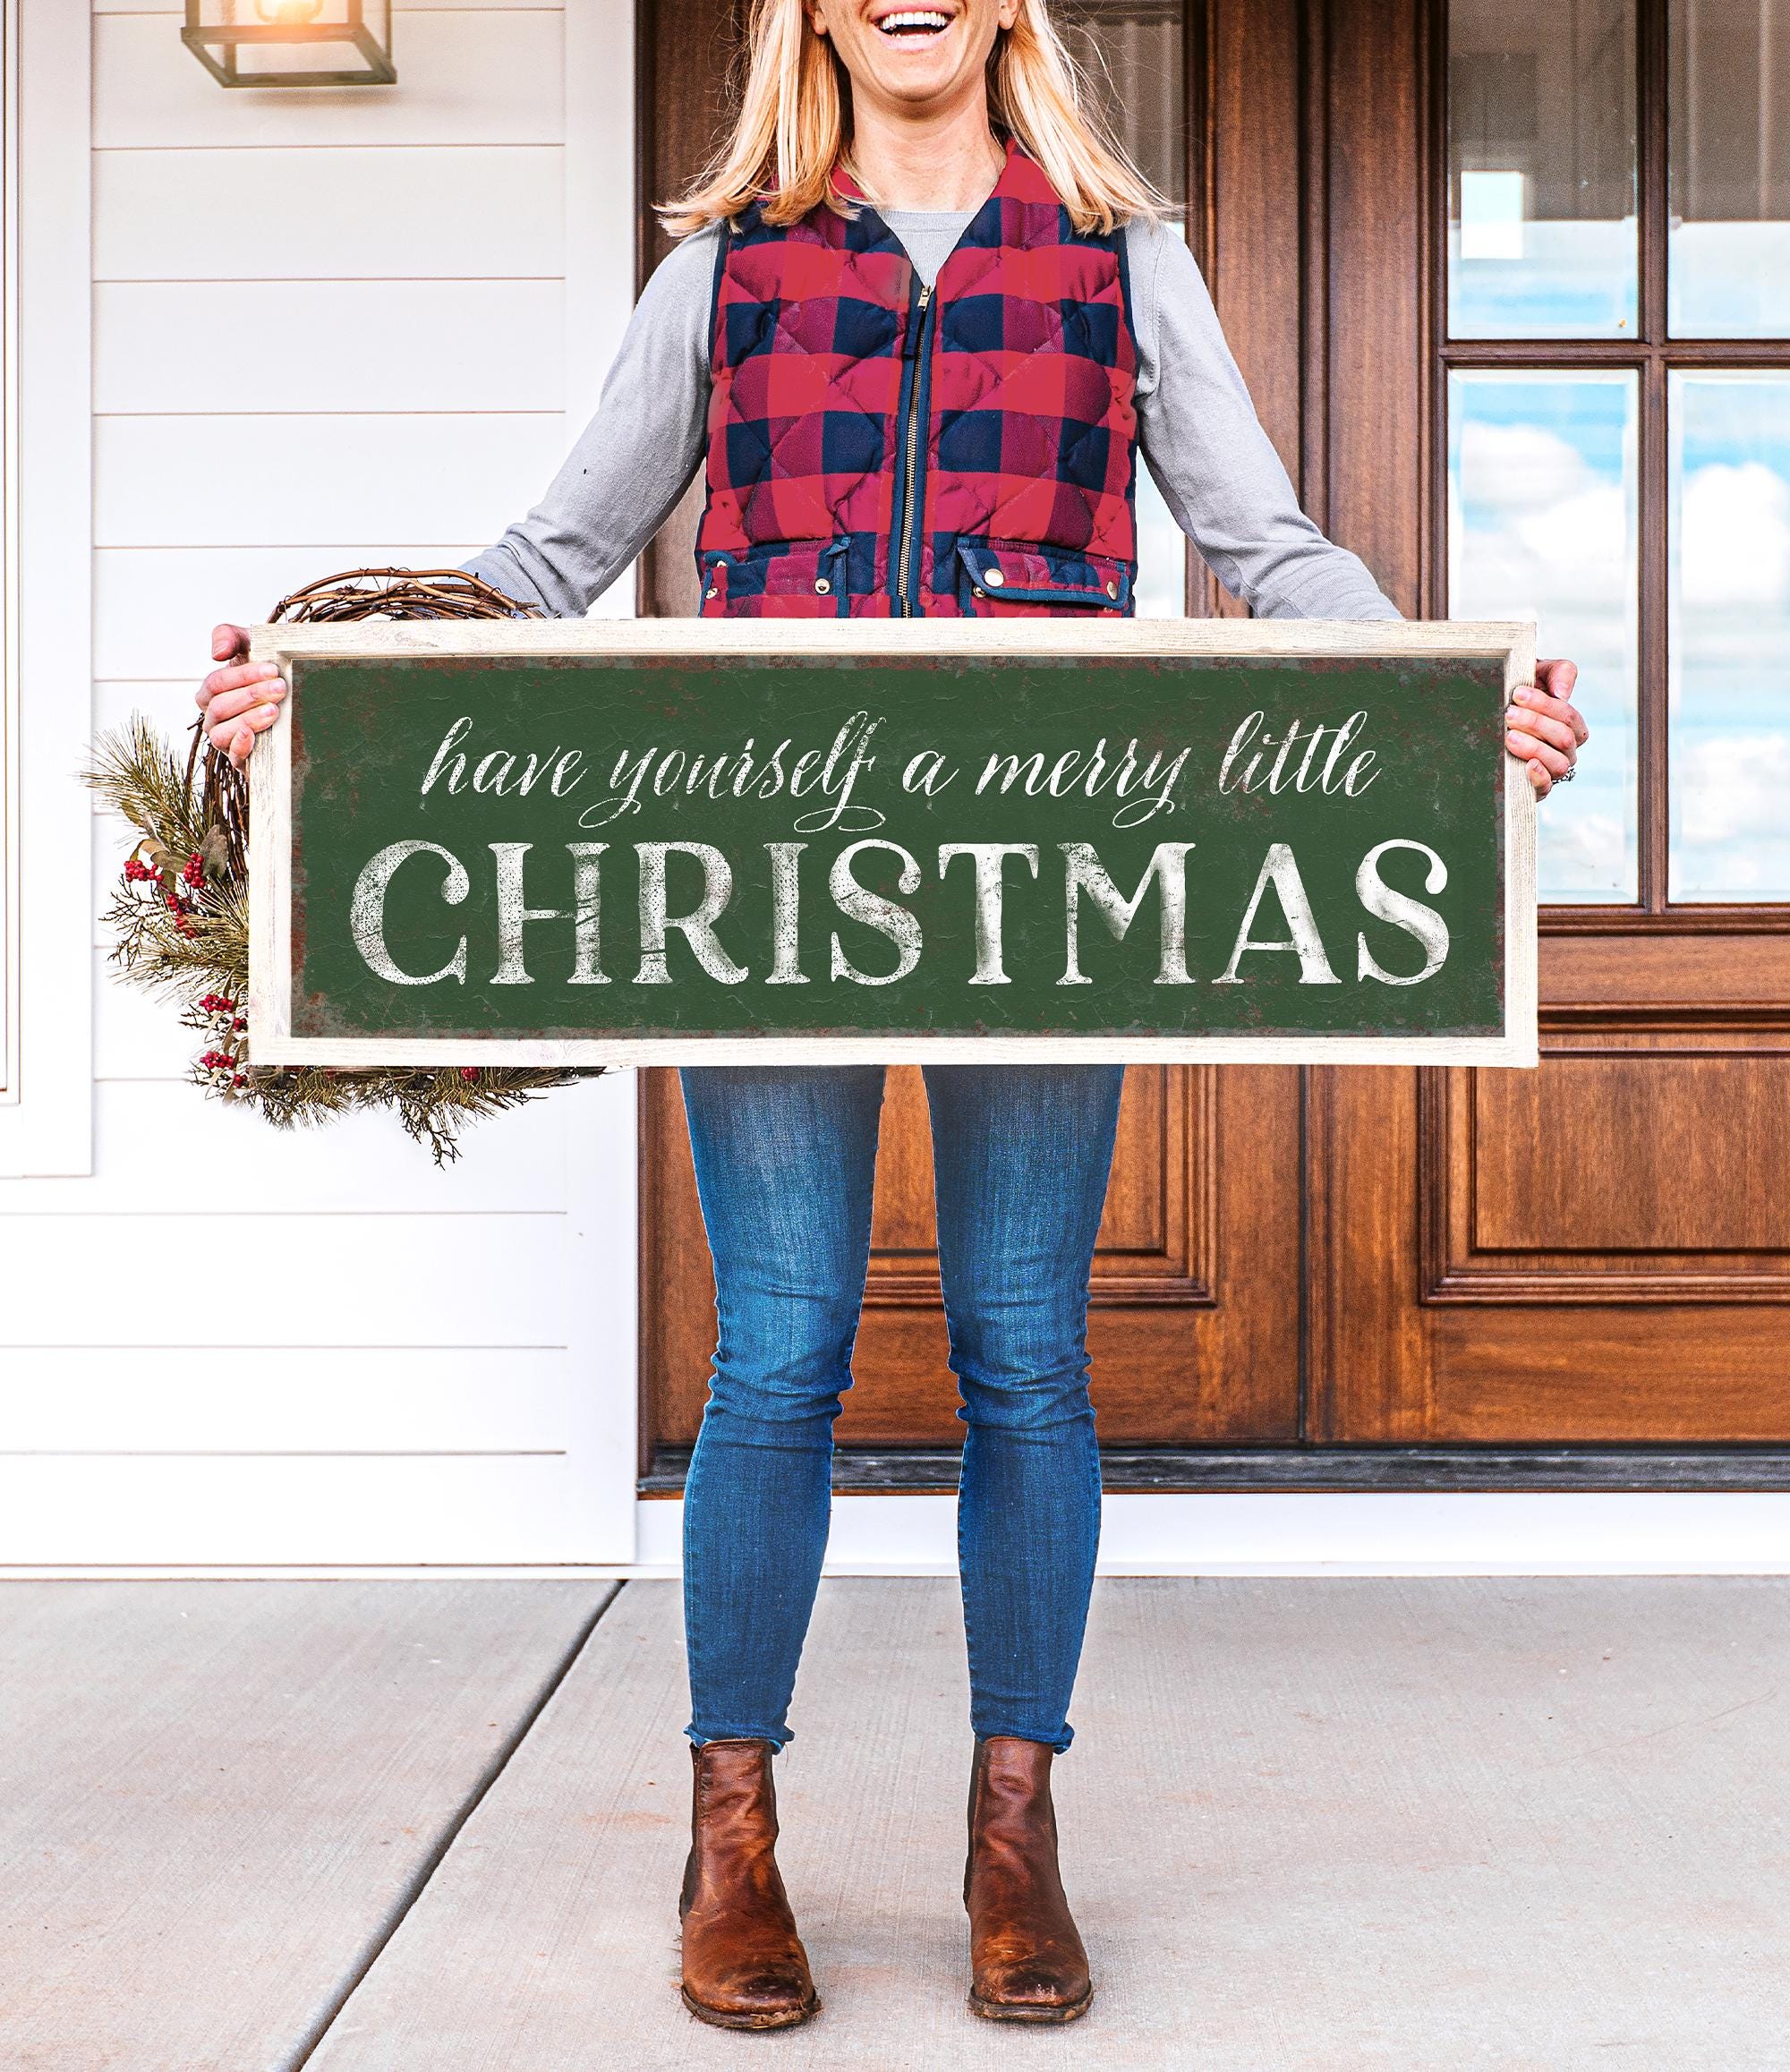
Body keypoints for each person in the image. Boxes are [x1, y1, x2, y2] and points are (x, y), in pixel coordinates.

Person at [196, 0, 1588, 2033]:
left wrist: (1441, 703)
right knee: (780, 1354)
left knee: (1028, 1352)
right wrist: (322, 687)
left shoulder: (1120, 259)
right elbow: (550, 558)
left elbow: (1258, 546)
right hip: (760, 876)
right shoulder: (725, 268)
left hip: (1047, 877)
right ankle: (730, 1832)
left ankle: (1013, 1834)